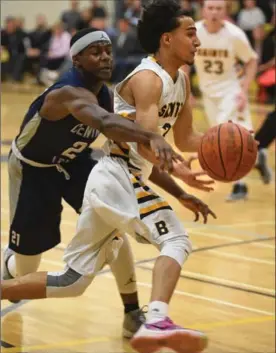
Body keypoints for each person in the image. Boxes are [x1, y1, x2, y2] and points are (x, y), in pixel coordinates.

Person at [1, 2, 218, 352]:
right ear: (76, 60)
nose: (105, 57)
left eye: (107, 51)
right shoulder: (69, 92)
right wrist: (151, 138)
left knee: (74, 280)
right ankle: (152, 319)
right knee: (26, 263)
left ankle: (136, 314)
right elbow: (108, 127)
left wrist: (180, 184)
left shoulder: (112, 93)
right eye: (95, 52)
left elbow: (142, 148)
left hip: (79, 164)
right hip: (34, 168)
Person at [189, 0, 259, 201]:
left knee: (229, 139)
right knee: (233, 139)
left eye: (218, 8)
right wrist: (187, 92)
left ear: (225, 11)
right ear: (204, 10)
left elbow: (252, 61)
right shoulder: (194, 32)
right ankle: (257, 157)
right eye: (210, 8)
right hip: (208, 93)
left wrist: (244, 91)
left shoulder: (234, 34)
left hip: (231, 91)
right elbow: (183, 62)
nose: (214, 12)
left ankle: (240, 185)